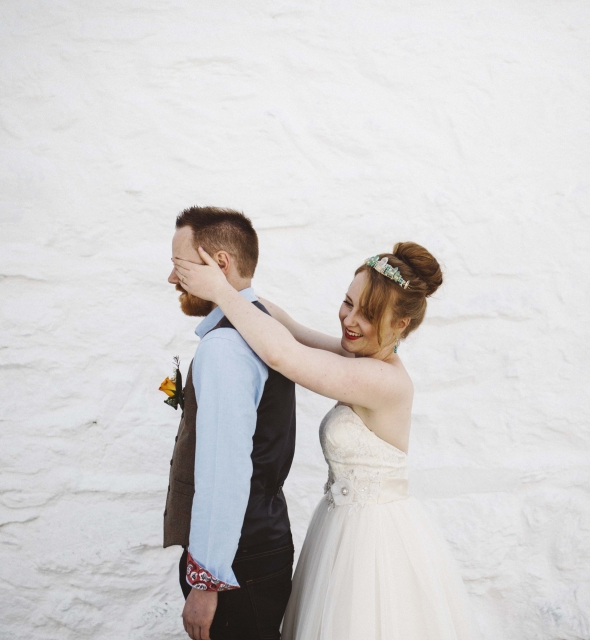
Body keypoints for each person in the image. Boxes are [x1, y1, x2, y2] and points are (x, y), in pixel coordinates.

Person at [174, 241, 473, 640]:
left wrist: (221, 292)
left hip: (373, 545)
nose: (349, 319)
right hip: (339, 530)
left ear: (400, 325)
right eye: (348, 302)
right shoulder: (361, 357)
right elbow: (289, 329)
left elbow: (284, 355)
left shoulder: (383, 381)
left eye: (367, 314)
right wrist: (228, 281)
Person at [163, 206, 297, 640]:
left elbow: (225, 472)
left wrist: (206, 580)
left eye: (179, 265)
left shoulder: (225, 346)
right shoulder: (263, 325)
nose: (172, 279)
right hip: (261, 545)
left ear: (218, 264)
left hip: (237, 564)